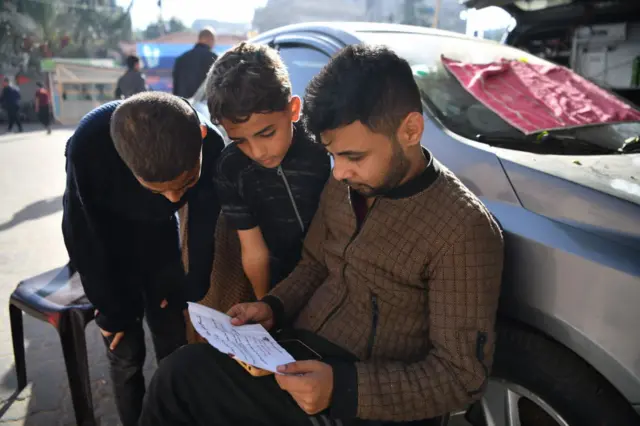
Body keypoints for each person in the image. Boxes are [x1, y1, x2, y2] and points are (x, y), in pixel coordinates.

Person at [139, 45, 504, 426]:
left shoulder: (463, 229)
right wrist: (273, 308)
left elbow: (462, 377)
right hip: (297, 356)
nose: (340, 172)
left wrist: (345, 388)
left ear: (410, 130)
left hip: (366, 398)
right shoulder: (346, 183)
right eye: (333, 156)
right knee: (177, 377)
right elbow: (315, 263)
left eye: (354, 157)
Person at [62, 92, 223, 426]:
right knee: (125, 352)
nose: (174, 199)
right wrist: (111, 310)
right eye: (157, 189)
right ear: (124, 162)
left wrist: (190, 292)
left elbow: (204, 226)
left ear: (201, 139)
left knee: (174, 342)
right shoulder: (89, 149)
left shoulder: (210, 144)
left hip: (159, 240)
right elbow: (84, 235)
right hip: (107, 242)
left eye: (186, 183)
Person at [206, 42, 330, 301]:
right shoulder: (231, 169)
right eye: (240, 141)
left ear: (293, 110)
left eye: (267, 133)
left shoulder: (326, 143)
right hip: (280, 284)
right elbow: (254, 251)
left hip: (338, 278)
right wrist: (265, 305)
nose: (258, 152)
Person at [172, 27, 217, 98]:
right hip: (205, 107)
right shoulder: (214, 59)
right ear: (210, 39)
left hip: (183, 105)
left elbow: (176, 87)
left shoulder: (181, 59)